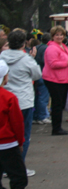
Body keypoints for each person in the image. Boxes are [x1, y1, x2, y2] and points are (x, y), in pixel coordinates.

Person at [0, 30, 42, 175]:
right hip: (23, 101)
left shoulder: (1, 57)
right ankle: (19, 167)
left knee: (5, 134)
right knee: (23, 135)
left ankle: (5, 167)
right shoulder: (27, 59)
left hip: (4, 99)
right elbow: (37, 75)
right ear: (24, 43)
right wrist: (33, 59)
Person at [0, 60, 38, 189]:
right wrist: (21, 141)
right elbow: (17, 122)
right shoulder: (9, 97)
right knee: (18, 174)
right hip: (8, 143)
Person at [42, 26, 68, 136]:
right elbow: (53, 64)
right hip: (54, 79)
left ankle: (58, 127)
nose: (59, 37)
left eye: (61, 35)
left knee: (60, 104)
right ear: (52, 36)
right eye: (57, 35)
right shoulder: (52, 48)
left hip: (63, 79)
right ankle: (56, 128)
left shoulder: (63, 46)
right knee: (57, 104)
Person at [32, 33, 51, 125]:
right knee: (43, 97)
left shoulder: (37, 47)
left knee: (37, 96)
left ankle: (36, 116)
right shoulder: (47, 48)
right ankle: (42, 116)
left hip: (37, 75)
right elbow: (46, 61)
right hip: (43, 74)